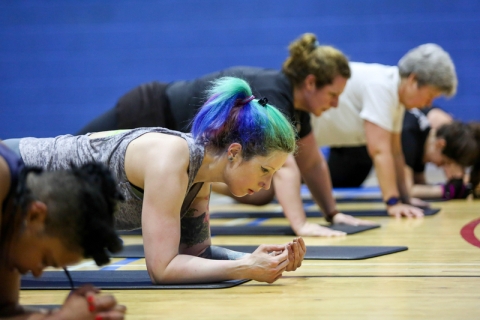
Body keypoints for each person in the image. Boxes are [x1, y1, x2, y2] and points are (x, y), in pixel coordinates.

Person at [7, 77, 305, 285]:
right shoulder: (171, 159)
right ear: (235, 153)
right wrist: (247, 268)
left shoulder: (200, 176)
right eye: (266, 170)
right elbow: (162, 269)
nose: (267, 186)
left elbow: (195, 256)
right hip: (12, 169)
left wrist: (257, 259)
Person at [77, 33, 374, 237]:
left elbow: (312, 164)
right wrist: (301, 225)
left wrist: (332, 213)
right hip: (149, 110)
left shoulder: (300, 110)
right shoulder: (274, 91)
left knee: (260, 191)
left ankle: (189, 178)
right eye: (333, 95)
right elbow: (287, 169)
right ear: (311, 83)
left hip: (171, 143)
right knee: (73, 161)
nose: (335, 104)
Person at [311, 43, 458, 217]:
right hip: (295, 129)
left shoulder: (396, 97)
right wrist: (392, 202)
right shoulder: (381, 86)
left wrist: (405, 198)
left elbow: (396, 153)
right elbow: (380, 151)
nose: (428, 104)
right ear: (413, 80)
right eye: (430, 95)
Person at [0, 141, 126, 319]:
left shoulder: (13, 215)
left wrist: (72, 314)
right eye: (45, 260)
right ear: (35, 215)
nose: (36, 273)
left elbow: (6, 313)